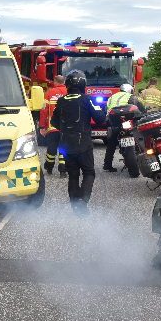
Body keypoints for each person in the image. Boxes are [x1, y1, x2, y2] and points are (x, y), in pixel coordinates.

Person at [50, 70, 106, 215]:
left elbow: (54, 121)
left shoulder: (61, 101)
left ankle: (75, 204)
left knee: (73, 175)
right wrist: (103, 110)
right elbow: (100, 118)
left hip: (66, 144)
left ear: (67, 84)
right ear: (83, 84)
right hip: (84, 143)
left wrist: (66, 129)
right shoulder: (87, 99)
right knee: (89, 172)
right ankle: (82, 201)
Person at [103, 83, 146, 173]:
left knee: (111, 143)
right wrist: (144, 114)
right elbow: (140, 109)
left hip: (114, 121)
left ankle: (107, 165)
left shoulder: (111, 97)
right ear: (129, 90)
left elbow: (105, 110)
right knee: (140, 135)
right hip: (127, 120)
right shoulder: (131, 97)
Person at [38, 75, 68, 177]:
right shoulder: (68, 92)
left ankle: (49, 167)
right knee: (64, 148)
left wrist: (42, 126)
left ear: (55, 81)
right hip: (66, 128)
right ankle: (63, 170)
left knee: (51, 149)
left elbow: (44, 110)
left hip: (52, 127)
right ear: (63, 81)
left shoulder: (49, 93)